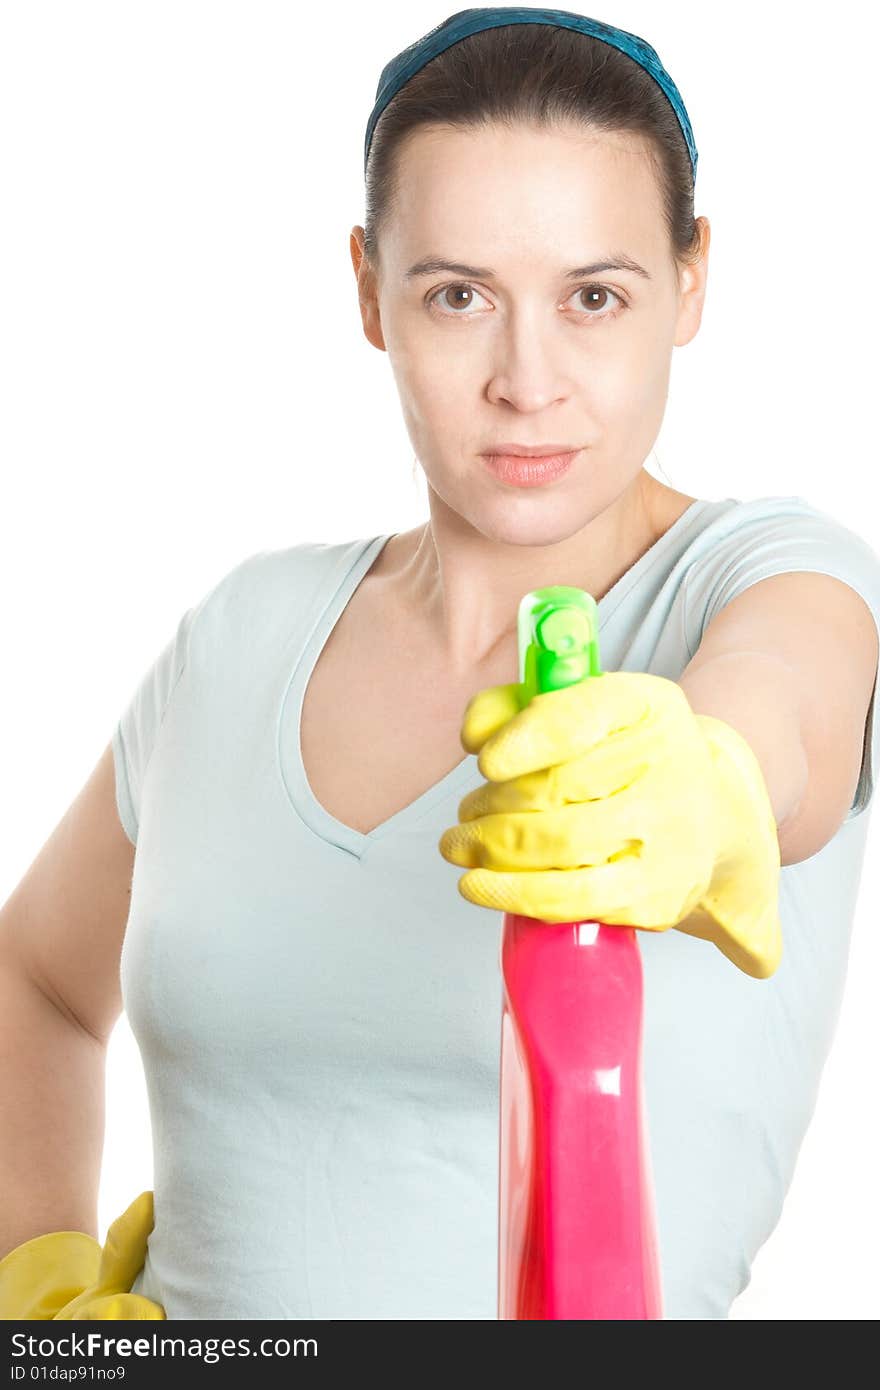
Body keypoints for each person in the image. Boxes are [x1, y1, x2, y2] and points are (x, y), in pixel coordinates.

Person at [2, 7, 880, 1322]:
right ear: (368, 289)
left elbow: (786, 708)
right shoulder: (241, 633)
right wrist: (34, 1290)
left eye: (595, 296)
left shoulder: (763, 578)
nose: (528, 381)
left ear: (693, 282)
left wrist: (708, 777)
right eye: (458, 293)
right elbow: (38, 980)